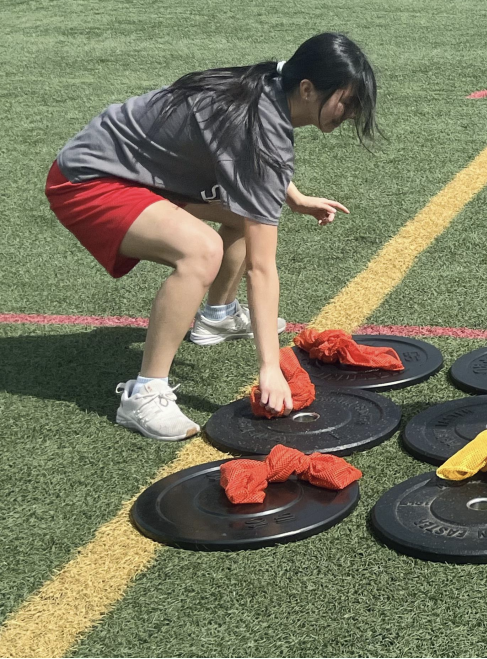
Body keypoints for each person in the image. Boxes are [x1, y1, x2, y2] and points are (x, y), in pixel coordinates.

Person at [45, 33, 378, 440]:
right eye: (347, 99)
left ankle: (217, 317)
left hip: (136, 173)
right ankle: (145, 394)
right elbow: (261, 267)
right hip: (88, 180)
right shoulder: (257, 121)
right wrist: (269, 369)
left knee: (243, 215)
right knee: (201, 251)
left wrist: (293, 198)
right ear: (307, 89)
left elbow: (251, 163)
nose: (351, 112)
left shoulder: (272, 82)